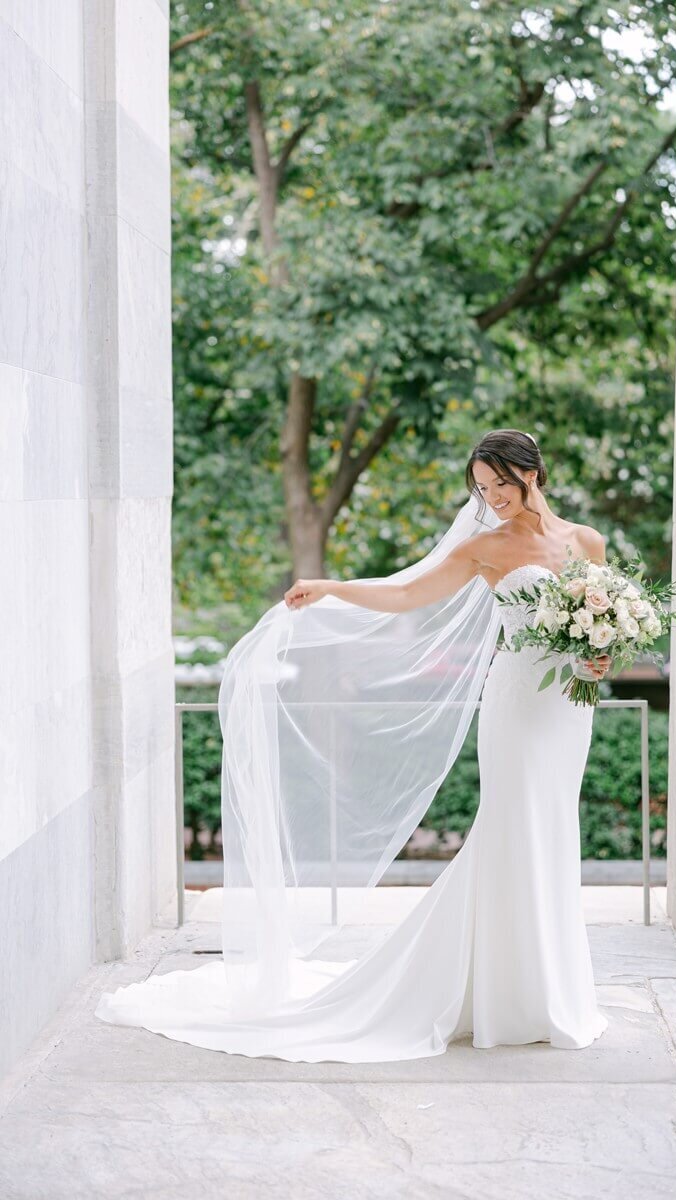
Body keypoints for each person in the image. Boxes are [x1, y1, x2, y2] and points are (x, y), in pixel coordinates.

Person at [95, 429, 610, 1060]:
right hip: (515, 706)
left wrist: (601, 656)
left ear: (533, 473)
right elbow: (403, 593)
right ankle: (500, 993)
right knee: (512, 828)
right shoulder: (485, 549)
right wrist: (332, 587)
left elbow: (600, 619)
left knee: (553, 830)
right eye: (481, 488)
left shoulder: (586, 542)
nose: (492, 497)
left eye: (500, 483)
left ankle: (546, 989)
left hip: (567, 708)